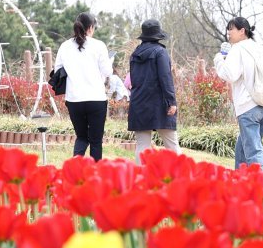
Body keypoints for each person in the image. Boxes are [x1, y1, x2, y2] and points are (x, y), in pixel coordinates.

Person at [214, 16, 263, 172]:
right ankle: (239, 185)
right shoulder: (261, 50)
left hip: (248, 108)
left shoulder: (238, 49)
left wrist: (219, 59)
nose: (228, 33)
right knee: (242, 150)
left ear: (242, 31)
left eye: (231, 29)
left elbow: (229, 74)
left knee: (254, 153)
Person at [53, 12, 114, 160]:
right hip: (96, 99)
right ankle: (95, 175)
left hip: (74, 99)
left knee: (81, 137)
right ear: (91, 27)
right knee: (95, 141)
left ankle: (75, 170)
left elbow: (57, 71)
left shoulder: (65, 46)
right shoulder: (99, 45)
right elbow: (107, 72)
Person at [127, 19, 178, 156]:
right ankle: (181, 175)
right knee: (172, 144)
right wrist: (171, 102)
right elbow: (165, 78)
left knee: (142, 145)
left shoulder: (134, 54)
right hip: (159, 104)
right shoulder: (160, 52)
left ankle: (140, 176)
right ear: (158, 36)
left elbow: (134, 79)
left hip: (139, 103)